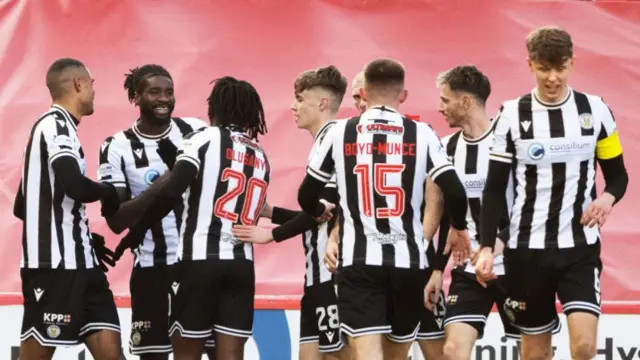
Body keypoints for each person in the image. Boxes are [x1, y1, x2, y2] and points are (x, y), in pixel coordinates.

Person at [297, 58, 471, 360]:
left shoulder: (339, 132)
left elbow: (306, 194)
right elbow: (455, 191)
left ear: (363, 92)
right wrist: (459, 228)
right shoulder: (422, 133)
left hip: (360, 262)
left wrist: (317, 210)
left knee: (366, 354)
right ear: (403, 96)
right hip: (409, 264)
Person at [476, 26, 629, 360]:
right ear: (530, 64)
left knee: (585, 347)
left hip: (579, 247)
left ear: (572, 63)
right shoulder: (511, 114)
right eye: (544, 68)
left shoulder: (596, 110)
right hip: (526, 250)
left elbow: (618, 177)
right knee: (534, 352)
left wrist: (606, 198)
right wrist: (487, 246)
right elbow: (493, 188)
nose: (553, 77)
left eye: (560, 68)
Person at [114, 76, 269, 360]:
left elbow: (172, 190)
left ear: (216, 108)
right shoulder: (259, 154)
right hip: (241, 265)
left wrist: (136, 232)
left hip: (199, 263)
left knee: (186, 352)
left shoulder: (201, 139)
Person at [97, 64, 216, 359]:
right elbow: (115, 221)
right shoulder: (116, 146)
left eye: (169, 92)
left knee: (212, 351)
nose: (164, 99)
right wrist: (164, 183)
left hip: (197, 262)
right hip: (152, 268)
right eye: (155, 92)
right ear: (137, 97)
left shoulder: (196, 130)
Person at [232, 65, 350, 360]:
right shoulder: (324, 139)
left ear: (322, 102)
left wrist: (271, 235)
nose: (292, 106)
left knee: (341, 355)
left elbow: (326, 210)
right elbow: (320, 214)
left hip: (332, 274)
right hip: (315, 278)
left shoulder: (334, 136)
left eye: (300, 99)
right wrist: (271, 212)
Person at [15, 58, 124, 360]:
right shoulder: (56, 125)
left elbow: (22, 205)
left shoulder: (49, 128)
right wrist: (109, 192)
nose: (94, 91)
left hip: (84, 265)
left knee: (112, 355)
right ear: (79, 84)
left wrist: (80, 236)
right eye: (92, 84)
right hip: (55, 269)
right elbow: (74, 186)